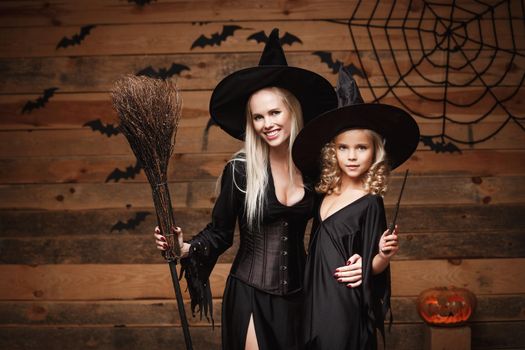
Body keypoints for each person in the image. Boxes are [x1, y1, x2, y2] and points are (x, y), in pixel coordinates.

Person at [154, 28, 341, 350]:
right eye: (257, 117)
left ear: (292, 111)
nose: (266, 123)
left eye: (274, 112)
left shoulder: (314, 172)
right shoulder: (241, 171)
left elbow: (332, 231)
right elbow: (220, 233)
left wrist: (365, 258)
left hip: (302, 296)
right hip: (250, 293)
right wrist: (185, 248)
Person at [291, 67, 420, 350]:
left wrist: (383, 256)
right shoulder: (322, 193)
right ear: (332, 151)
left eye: (361, 148)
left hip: (343, 301)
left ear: (375, 151)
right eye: (343, 148)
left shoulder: (371, 201)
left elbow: (372, 266)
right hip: (313, 295)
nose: (351, 156)